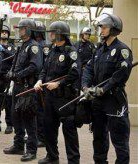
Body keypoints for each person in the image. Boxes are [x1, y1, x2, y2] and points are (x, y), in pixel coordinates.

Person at [82, 13, 132, 164]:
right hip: (97, 102)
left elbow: (120, 75)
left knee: (119, 140)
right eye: (101, 27)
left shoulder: (122, 50)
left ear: (113, 29)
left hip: (114, 101)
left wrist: (103, 89)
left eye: (104, 27)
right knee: (99, 138)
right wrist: (85, 87)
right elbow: (88, 70)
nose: (101, 30)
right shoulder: (99, 50)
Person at [34, 21, 80, 164]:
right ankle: (52, 157)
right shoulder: (51, 50)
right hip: (49, 97)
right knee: (49, 128)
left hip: (65, 98)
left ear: (61, 34)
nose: (51, 35)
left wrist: (58, 83)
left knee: (69, 132)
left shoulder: (71, 51)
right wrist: (39, 80)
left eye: (53, 32)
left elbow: (75, 73)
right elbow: (44, 69)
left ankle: (73, 160)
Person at [3, 19, 43, 162]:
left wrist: (18, 74)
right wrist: (11, 73)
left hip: (27, 87)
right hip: (18, 86)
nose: (19, 31)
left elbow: (35, 66)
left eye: (22, 29)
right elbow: (16, 65)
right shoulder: (22, 46)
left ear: (29, 30)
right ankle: (18, 145)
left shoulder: (34, 47)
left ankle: (31, 150)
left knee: (28, 119)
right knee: (15, 116)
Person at [0, 24, 15, 134]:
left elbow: (13, 57)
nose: (4, 33)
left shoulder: (11, 47)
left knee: (8, 102)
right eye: (2, 32)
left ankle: (9, 124)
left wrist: (3, 49)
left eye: (6, 32)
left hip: (7, 77)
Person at [33, 21, 47, 148]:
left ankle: (41, 137)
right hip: (35, 82)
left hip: (40, 83)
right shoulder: (34, 45)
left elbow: (44, 66)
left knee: (40, 111)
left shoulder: (43, 46)